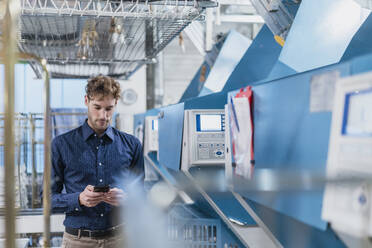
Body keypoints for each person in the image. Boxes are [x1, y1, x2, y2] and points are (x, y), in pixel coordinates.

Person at [50, 75, 144, 248]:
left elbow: (141, 194)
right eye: (97, 107)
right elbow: (47, 200)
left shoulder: (132, 144)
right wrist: (78, 198)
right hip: (77, 241)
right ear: (86, 101)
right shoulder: (61, 144)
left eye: (109, 108)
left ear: (116, 103)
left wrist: (127, 198)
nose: (103, 115)